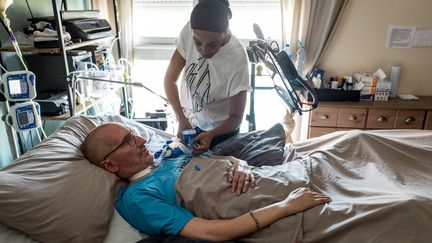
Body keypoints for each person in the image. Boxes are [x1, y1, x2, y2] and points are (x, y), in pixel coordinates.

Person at [81, 122, 331, 242]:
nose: (141, 140)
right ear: (110, 165)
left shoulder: (165, 159)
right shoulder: (139, 197)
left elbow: (222, 158)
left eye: (133, 134)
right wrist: (287, 206)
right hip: (274, 204)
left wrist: (240, 164)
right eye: (127, 142)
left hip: (277, 175)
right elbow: (211, 232)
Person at [164, 0, 250, 154]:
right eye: (197, 43)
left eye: (212, 45)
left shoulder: (237, 59)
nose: (204, 50)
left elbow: (236, 117)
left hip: (223, 133)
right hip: (194, 122)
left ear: (225, 32)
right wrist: (181, 119)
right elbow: (170, 79)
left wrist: (212, 134)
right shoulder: (189, 30)